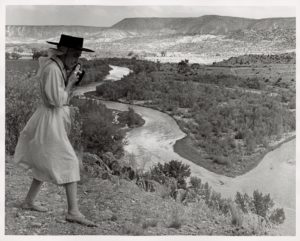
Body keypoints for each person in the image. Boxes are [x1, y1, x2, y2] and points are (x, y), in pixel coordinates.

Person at [14, 34, 97, 227]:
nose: (77, 59)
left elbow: (60, 98)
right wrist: (69, 84)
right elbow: (56, 101)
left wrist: (70, 80)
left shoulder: (57, 67)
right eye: (75, 54)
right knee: (69, 160)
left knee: (44, 161)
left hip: (52, 120)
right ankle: (73, 212)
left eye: (79, 56)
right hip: (50, 120)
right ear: (64, 51)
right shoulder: (52, 69)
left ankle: (28, 201)